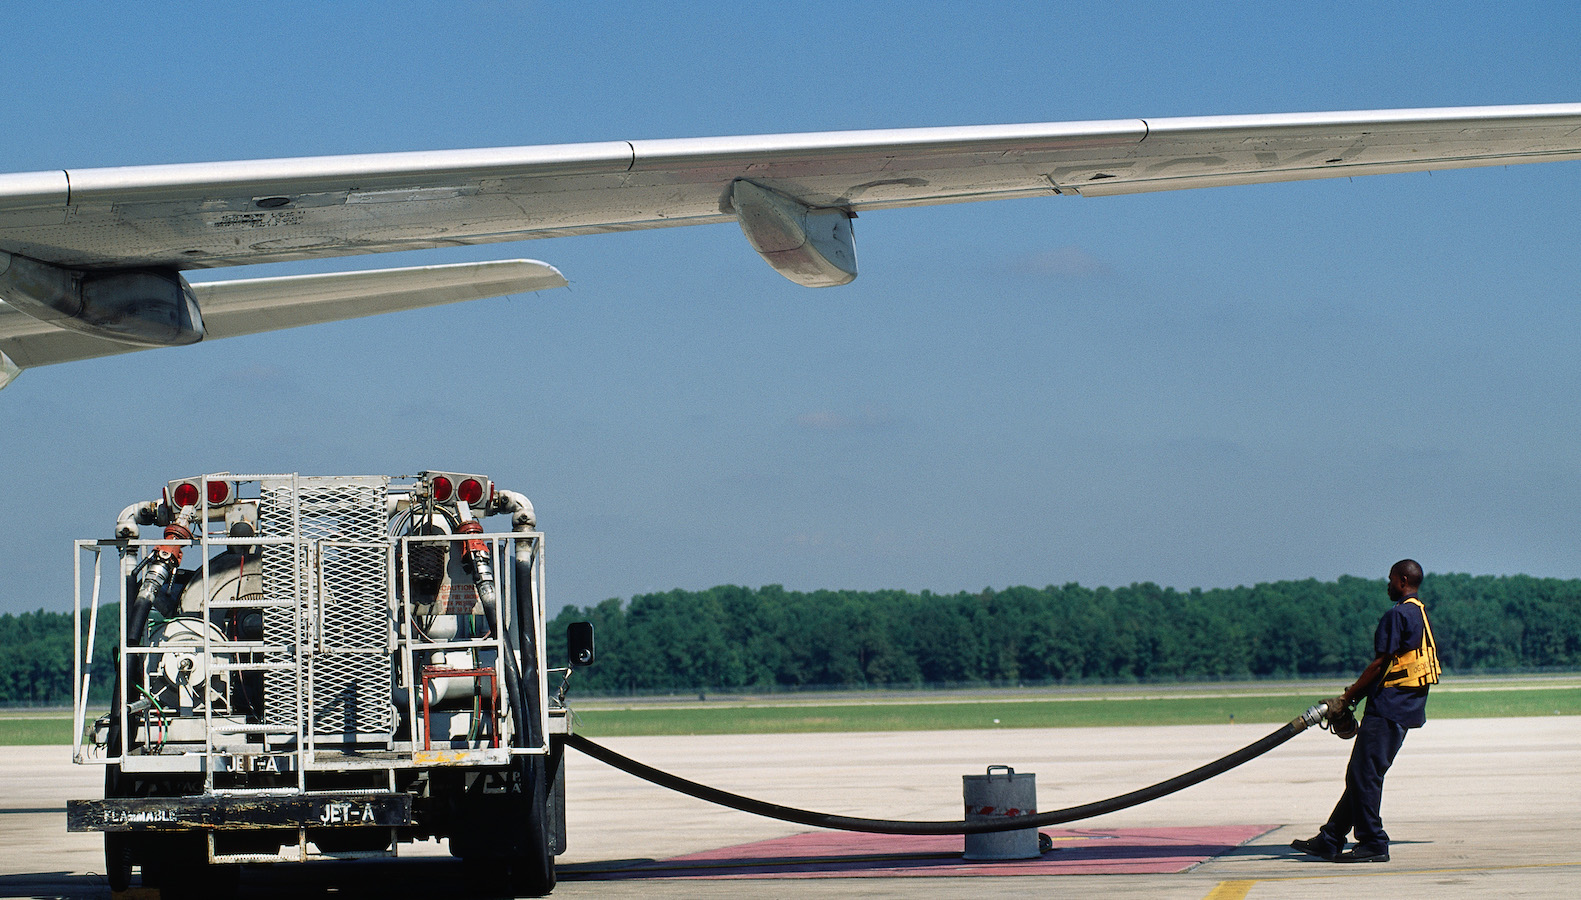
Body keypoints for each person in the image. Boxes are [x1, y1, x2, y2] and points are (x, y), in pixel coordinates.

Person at [1291, 558, 1440, 863]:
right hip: (1405, 707)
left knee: (1363, 775)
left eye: (1389, 580)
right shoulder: (1420, 614)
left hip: (1389, 707)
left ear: (1401, 581)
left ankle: (1373, 841)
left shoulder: (1396, 615)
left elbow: (1379, 664)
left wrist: (1347, 697)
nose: (1387, 585)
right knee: (1362, 775)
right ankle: (1330, 838)